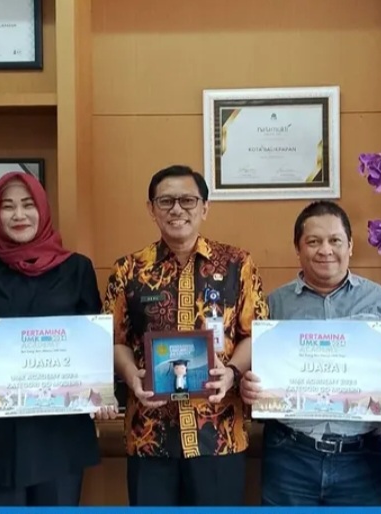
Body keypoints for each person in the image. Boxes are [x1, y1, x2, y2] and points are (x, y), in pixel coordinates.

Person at [103, 164, 269, 506]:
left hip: (219, 433)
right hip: (150, 434)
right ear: (151, 209)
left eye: (188, 200)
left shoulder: (237, 264)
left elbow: (255, 332)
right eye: (166, 201)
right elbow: (115, 339)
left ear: (204, 208)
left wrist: (232, 372)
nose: (177, 209)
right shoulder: (128, 270)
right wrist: (132, 376)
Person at [0, 171, 116, 507]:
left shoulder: (77, 269)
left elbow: (92, 347)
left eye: (28, 205)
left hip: (60, 435)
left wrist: (101, 394)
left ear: (42, 209)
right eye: (8, 206)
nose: (19, 215)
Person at [240, 200, 381, 507]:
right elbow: (251, 370)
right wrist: (248, 387)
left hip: (362, 458)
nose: (325, 250)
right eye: (313, 241)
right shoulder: (272, 306)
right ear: (298, 248)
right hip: (289, 455)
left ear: (350, 246)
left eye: (335, 241)